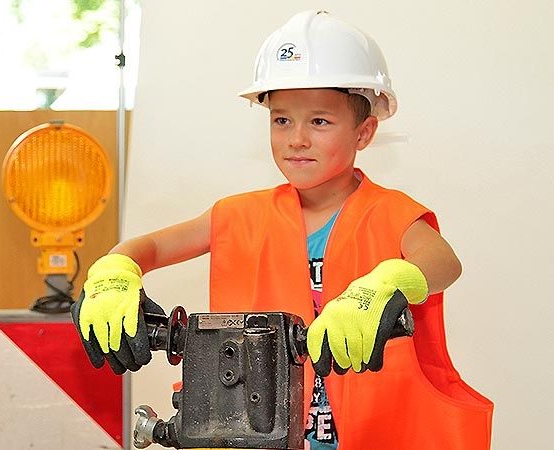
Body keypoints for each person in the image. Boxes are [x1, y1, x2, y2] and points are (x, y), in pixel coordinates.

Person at [71, 10, 493, 450]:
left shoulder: (390, 213)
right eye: (282, 120)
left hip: (376, 435)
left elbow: (443, 261)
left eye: (320, 121)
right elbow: (152, 247)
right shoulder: (238, 216)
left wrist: (387, 283)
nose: (297, 139)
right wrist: (115, 272)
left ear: (364, 132)